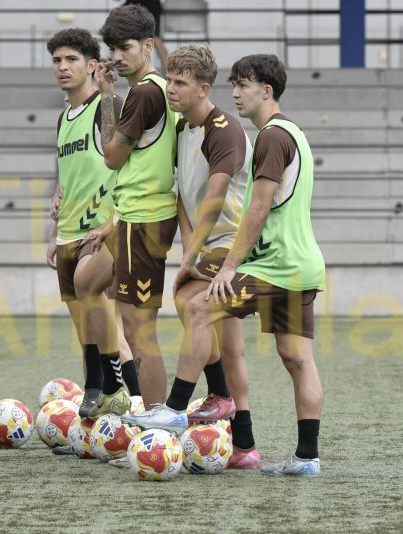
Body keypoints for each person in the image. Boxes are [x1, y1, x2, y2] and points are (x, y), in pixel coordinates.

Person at [130, 54, 326, 477]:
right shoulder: (291, 132)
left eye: (244, 86)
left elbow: (255, 211)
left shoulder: (271, 137)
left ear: (266, 91)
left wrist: (227, 267)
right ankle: (306, 457)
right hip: (300, 264)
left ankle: (177, 409)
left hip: (273, 264)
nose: (235, 93)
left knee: (201, 306)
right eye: (234, 85)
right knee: (296, 357)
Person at [125, 44, 260, 468]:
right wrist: (188, 247)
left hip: (235, 246)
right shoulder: (182, 129)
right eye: (169, 79)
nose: (171, 88)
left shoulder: (226, 129)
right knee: (231, 346)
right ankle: (244, 446)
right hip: (205, 245)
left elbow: (216, 198)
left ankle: (180, 406)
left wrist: (190, 259)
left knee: (189, 304)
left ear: (203, 88)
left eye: (180, 83)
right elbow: (183, 196)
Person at [43, 28, 141, 421]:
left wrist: (115, 221)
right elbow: (67, 177)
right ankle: (100, 414)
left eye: (71, 60)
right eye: (57, 60)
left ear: (92, 66)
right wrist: (53, 232)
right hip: (67, 233)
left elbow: (124, 164)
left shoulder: (110, 105)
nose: (63, 67)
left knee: (105, 325)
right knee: (87, 327)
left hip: (101, 232)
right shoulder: (63, 117)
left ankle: (132, 403)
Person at [87, 4, 179, 408]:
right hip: (133, 215)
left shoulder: (144, 92)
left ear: (148, 45)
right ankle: (126, 396)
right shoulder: (154, 88)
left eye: (124, 48)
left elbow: (111, 156)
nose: (117, 57)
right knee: (105, 298)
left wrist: (107, 97)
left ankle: (160, 415)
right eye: (112, 48)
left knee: (140, 328)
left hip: (145, 217)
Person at [122, 0, 167, 70]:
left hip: (146, 5)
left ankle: (169, 68)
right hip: (144, 6)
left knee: (155, 39)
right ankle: (169, 68)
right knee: (155, 39)